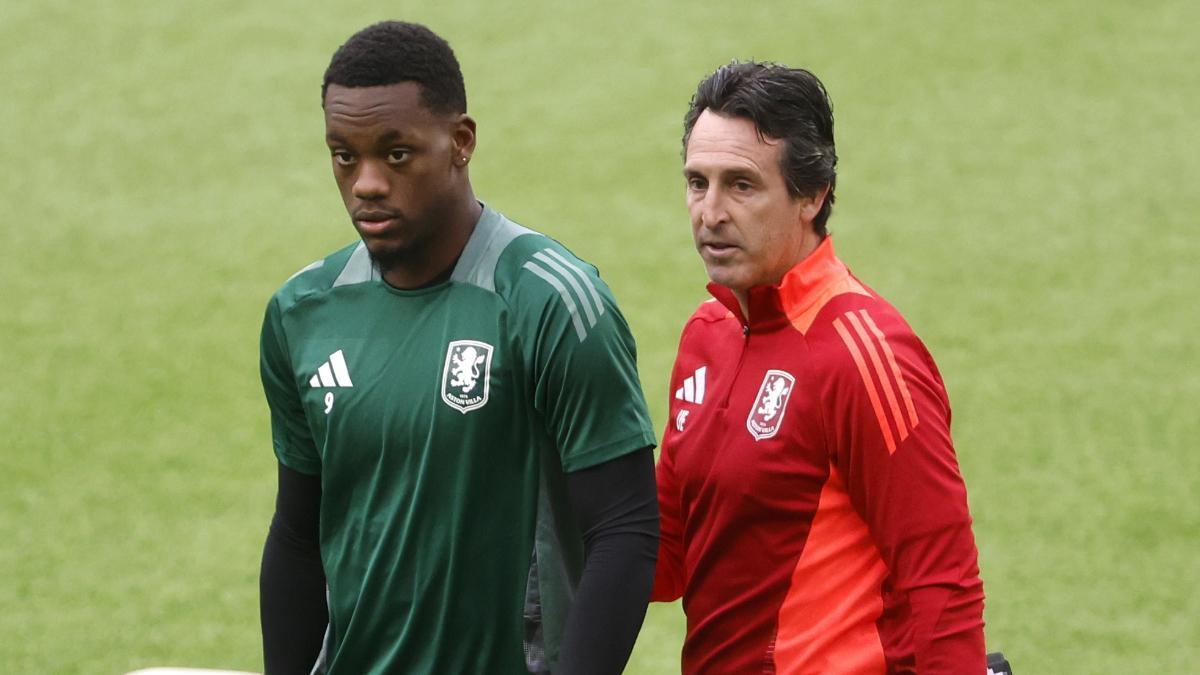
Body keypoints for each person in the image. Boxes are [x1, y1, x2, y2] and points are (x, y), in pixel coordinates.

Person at [257, 21, 658, 674]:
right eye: (343, 155)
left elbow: (625, 528)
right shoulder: (303, 313)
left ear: (461, 142)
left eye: (395, 154)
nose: (365, 184)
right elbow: (299, 535)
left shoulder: (550, 301)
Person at [652, 61, 986, 673]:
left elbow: (943, 579)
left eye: (742, 185)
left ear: (812, 195)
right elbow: (669, 557)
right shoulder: (707, 334)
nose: (711, 212)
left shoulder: (864, 351)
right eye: (698, 182)